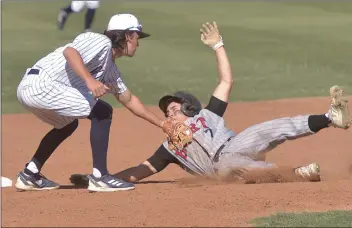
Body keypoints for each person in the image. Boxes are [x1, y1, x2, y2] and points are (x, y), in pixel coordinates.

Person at [70, 21, 352, 185]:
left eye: (174, 106)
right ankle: (297, 174)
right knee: (229, 164)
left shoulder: (208, 115)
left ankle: (329, 118)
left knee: (265, 129)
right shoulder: (169, 148)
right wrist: (100, 179)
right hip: (224, 169)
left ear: (188, 106)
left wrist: (218, 46)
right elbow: (139, 171)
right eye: (167, 110)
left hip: (237, 146)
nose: (170, 109)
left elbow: (226, 81)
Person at [15, 13, 170, 192]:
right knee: (102, 112)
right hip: (42, 85)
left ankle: (30, 173)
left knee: (67, 125)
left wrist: (162, 124)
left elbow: (128, 99)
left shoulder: (110, 68)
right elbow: (69, 52)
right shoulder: (101, 42)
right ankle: (100, 176)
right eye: (137, 37)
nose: (138, 42)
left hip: (34, 88)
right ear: (127, 35)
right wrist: (90, 80)